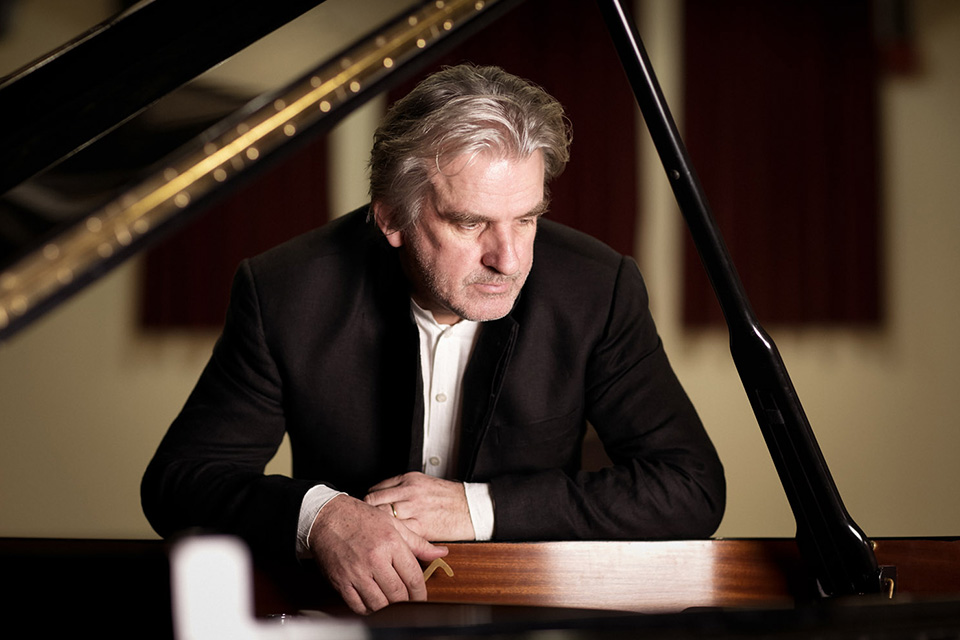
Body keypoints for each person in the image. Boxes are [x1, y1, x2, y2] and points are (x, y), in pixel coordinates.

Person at [141, 64, 725, 615]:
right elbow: (179, 483)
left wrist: (475, 507)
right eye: (471, 223)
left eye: (527, 218)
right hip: (348, 618)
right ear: (392, 218)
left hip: (529, 615)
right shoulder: (287, 292)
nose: (511, 260)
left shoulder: (597, 288)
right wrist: (319, 517)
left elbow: (691, 487)